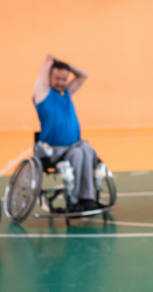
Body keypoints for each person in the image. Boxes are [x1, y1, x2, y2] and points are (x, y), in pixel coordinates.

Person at [33, 54, 100, 212]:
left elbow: (84, 74)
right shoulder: (42, 94)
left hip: (74, 144)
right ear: (49, 77)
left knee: (88, 151)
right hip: (55, 149)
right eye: (57, 78)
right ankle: (74, 201)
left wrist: (67, 66)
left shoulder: (66, 93)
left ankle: (87, 198)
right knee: (77, 154)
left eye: (64, 79)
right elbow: (42, 78)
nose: (61, 83)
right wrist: (47, 64)